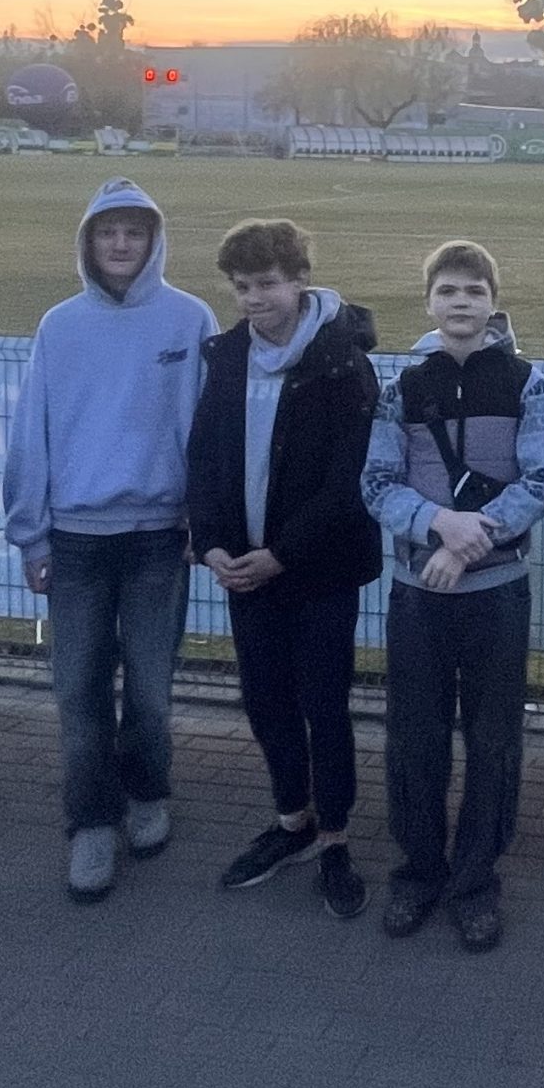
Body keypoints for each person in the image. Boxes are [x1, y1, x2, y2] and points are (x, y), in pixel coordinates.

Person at [3, 178, 217, 904]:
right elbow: (32, 428)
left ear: (154, 240)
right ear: (89, 242)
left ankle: (147, 793)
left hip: (159, 540)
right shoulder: (60, 325)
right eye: (108, 232)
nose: (121, 244)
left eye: (134, 231)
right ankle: (91, 822)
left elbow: (208, 430)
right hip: (75, 542)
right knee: (79, 691)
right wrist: (31, 535)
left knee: (151, 691)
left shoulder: (190, 318)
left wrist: (204, 518)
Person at [360, 240, 544, 952]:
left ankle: (475, 883)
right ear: (429, 302)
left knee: (493, 742)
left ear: (493, 302)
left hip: (495, 593)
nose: (461, 302)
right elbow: (377, 483)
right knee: (414, 739)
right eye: (448, 290)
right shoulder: (402, 388)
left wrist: (466, 542)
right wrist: (437, 526)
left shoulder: (526, 382)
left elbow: (541, 481)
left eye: (474, 290)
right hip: (419, 595)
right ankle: (418, 872)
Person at [187, 219, 382, 919]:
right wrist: (211, 542)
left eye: (266, 284)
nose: (252, 299)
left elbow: (349, 479)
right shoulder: (228, 355)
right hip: (245, 568)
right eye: (241, 287)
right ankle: (293, 821)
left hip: (317, 570)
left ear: (300, 280)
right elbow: (206, 455)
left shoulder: (343, 361)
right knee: (265, 701)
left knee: (323, 707)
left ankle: (334, 839)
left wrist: (282, 555)